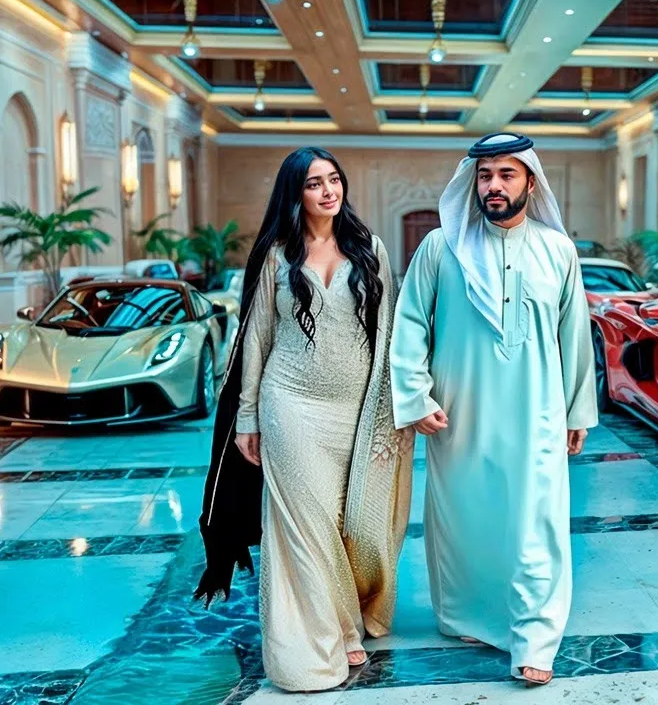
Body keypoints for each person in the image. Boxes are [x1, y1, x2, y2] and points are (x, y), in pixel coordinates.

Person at [194, 147, 414, 692]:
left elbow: (391, 331)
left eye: (334, 179)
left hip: (357, 410)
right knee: (307, 526)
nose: (328, 191)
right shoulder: (275, 254)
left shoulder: (370, 248)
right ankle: (323, 639)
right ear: (295, 193)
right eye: (314, 183)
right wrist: (249, 417)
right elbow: (256, 339)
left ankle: (348, 614)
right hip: (290, 404)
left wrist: (402, 404)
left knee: (350, 523)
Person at [390, 132, 598, 686]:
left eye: (506, 174)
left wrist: (577, 411)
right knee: (465, 522)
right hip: (459, 415)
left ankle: (534, 639)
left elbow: (575, 337)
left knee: (536, 525)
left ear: (531, 182)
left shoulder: (558, 251)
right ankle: (466, 615)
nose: (494, 186)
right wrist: (415, 396)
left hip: (537, 413)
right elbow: (410, 324)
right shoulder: (441, 248)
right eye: (485, 176)